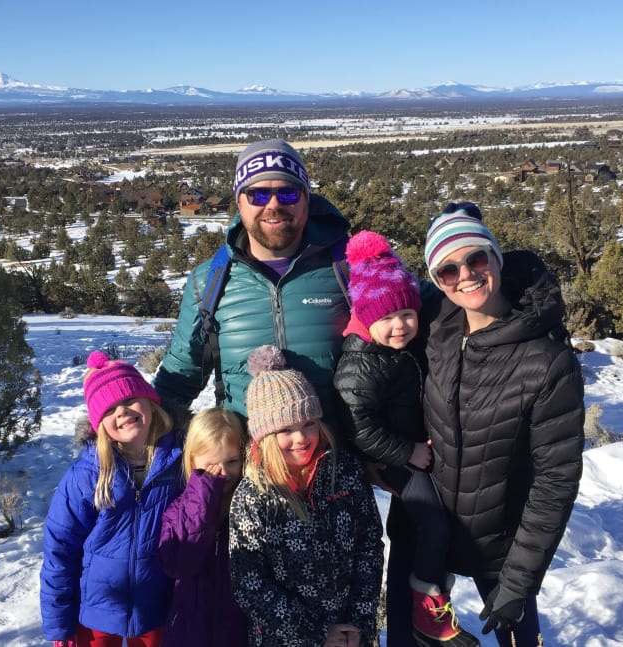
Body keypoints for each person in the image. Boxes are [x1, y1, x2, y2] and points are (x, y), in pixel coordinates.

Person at [421, 203, 585, 647]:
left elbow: (556, 478)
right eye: (448, 270)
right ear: (437, 282)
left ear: (496, 257)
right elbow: (375, 317)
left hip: (501, 550)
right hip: (433, 533)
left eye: (476, 258)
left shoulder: (546, 360)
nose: (466, 275)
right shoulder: (438, 329)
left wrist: (519, 581)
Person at [333, 231, 479, 647]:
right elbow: (358, 426)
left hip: (412, 449)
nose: (399, 327)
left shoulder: (401, 348)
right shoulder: (361, 363)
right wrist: (408, 451)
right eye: (386, 318)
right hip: (394, 456)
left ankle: (416, 613)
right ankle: (427, 607)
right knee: (432, 521)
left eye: (407, 315)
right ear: (365, 317)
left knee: (419, 528)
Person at [153, 139, 351, 429]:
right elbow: (179, 378)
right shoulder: (208, 282)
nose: (273, 205)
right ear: (239, 202)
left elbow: (429, 318)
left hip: (339, 459)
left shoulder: (351, 266)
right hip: (247, 464)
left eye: (288, 193)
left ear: (306, 199)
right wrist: (129, 431)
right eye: (257, 195)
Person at [229, 345, 384, 647]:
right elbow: (249, 582)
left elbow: (368, 545)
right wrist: (315, 633)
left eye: (308, 424)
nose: (301, 438)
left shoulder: (346, 471)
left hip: (350, 634)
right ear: (265, 435)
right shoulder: (254, 495)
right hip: (287, 639)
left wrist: (358, 621)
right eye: (286, 429)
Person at [41, 351, 184, 647]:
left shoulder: (181, 461)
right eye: (110, 409)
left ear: (150, 403)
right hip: (95, 611)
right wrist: (59, 623)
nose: (122, 412)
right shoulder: (87, 474)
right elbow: (59, 550)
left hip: (157, 606)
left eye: (130, 399)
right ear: (98, 423)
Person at [158, 407, 248, 647]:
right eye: (210, 466)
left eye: (232, 462)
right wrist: (204, 495)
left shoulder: (247, 505)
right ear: (192, 460)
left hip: (236, 632)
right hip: (189, 632)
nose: (223, 473)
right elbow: (179, 563)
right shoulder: (179, 508)